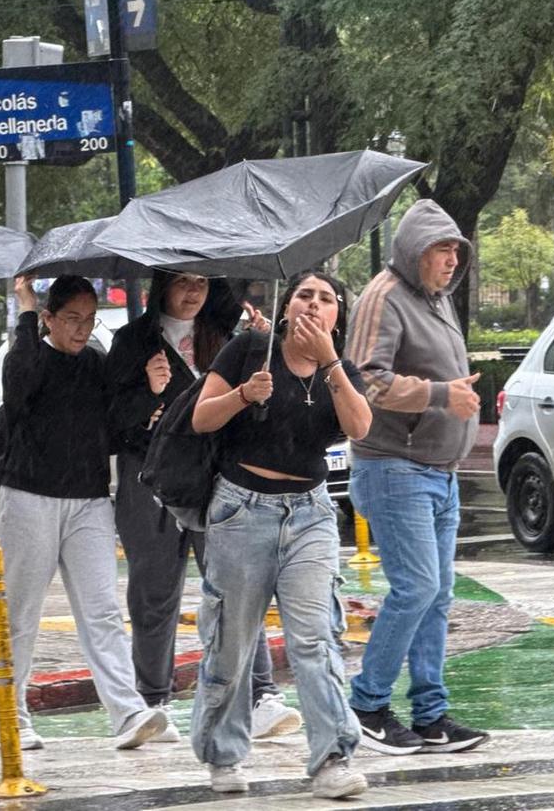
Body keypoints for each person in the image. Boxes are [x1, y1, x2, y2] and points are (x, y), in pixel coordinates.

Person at [190, 270, 371, 800]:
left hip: (310, 513)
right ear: (287, 306)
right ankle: (223, 754)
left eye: (327, 299)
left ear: (338, 315)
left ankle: (333, 757)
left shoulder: (342, 370)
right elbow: (202, 419)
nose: (315, 306)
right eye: (305, 296)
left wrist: (332, 362)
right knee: (231, 642)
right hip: (241, 509)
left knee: (315, 638)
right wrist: (244, 394)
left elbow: (360, 427)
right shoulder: (250, 350)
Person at [106, 271, 300, 743]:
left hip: (216, 478)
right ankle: (152, 699)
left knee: (237, 585)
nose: (192, 292)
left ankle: (259, 694)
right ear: (161, 287)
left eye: (201, 283)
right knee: (154, 591)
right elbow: (113, 421)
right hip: (150, 480)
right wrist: (149, 395)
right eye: (182, 283)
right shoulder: (134, 341)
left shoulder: (228, 340)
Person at [0, 274, 166, 751]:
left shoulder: (97, 365)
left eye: (88, 320)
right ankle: (9, 716)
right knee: (20, 611)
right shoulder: (29, 355)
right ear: (48, 319)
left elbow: (115, 429)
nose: (82, 329)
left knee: (103, 609)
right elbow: (19, 387)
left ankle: (126, 712)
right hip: (28, 498)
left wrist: (150, 393)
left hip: (89, 500)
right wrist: (24, 309)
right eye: (71, 319)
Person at [345, 198, 489, 755]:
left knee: (437, 595)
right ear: (413, 251)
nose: (451, 260)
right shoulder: (383, 297)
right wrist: (438, 395)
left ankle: (430, 713)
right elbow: (365, 380)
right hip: (393, 466)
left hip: (439, 471)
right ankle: (368, 703)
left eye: (456, 250)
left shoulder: (437, 300)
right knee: (417, 589)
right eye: (441, 249)